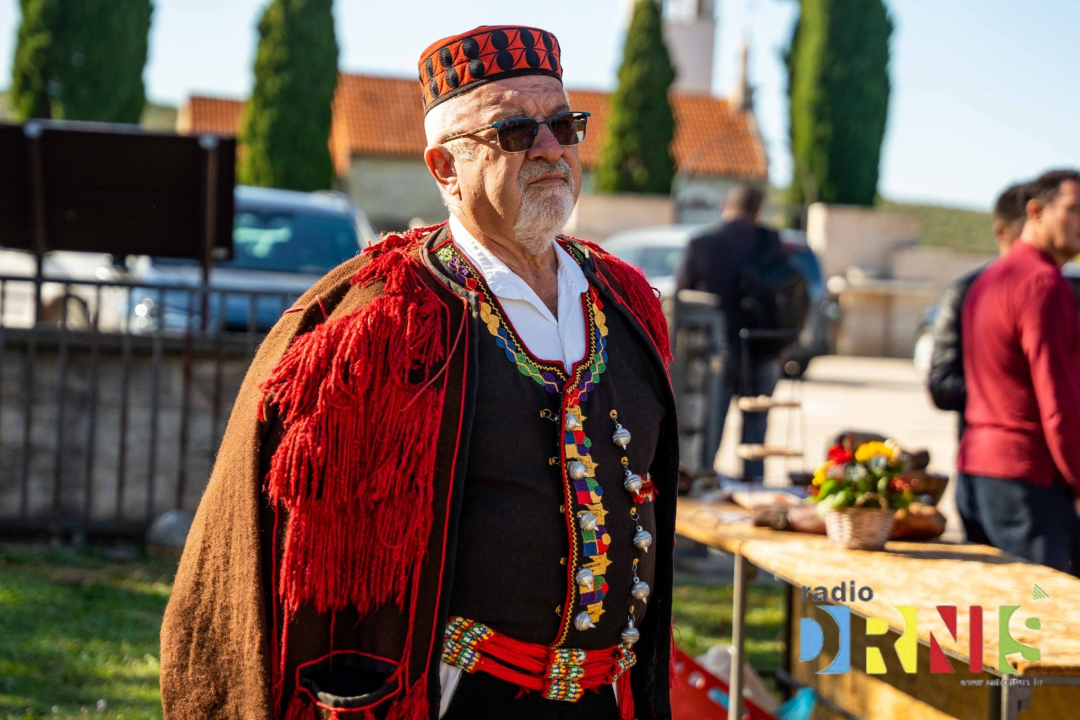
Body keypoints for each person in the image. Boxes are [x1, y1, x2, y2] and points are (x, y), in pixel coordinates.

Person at [159, 25, 680, 720]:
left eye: (564, 124)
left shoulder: (625, 300)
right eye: (516, 131)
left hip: (599, 700)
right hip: (456, 699)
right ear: (444, 168)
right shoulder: (376, 322)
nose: (552, 149)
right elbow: (295, 557)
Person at [956, 169, 1080, 574]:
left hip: (976, 475)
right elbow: (1058, 405)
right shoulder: (1044, 285)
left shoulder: (987, 279)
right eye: (1073, 209)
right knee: (1045, 627)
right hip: (1027, 483)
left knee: (991, 628)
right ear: (1036, 211)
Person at [674, 183, 786, 479]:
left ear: (726, 206)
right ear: (758, 211)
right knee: (756, 430)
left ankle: (705, 481)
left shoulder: (702, 243)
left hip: (717, 348)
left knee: (712, 425)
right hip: (763, 347)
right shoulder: (771, 241)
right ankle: (753, 484)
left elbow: (682, 296)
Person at [927, 183, 1028, 432]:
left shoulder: (1066, 290)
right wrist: (1020, 389)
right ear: (1002, 232)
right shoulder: (965, 292)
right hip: (989, 455)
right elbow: (942, 385)